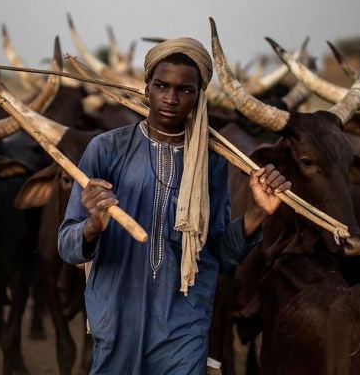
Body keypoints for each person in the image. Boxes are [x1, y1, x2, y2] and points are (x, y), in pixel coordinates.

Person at [58, 37, 290, 373]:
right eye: (161, 86)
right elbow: (67, 246)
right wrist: (93, 224)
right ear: (147, 87)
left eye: (185, 90)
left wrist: (258, 213)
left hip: (185, 322)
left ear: (199, 96)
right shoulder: (106, 149)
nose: (170, 98)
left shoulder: (212, 161)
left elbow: (219, 253)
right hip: (118, 315)